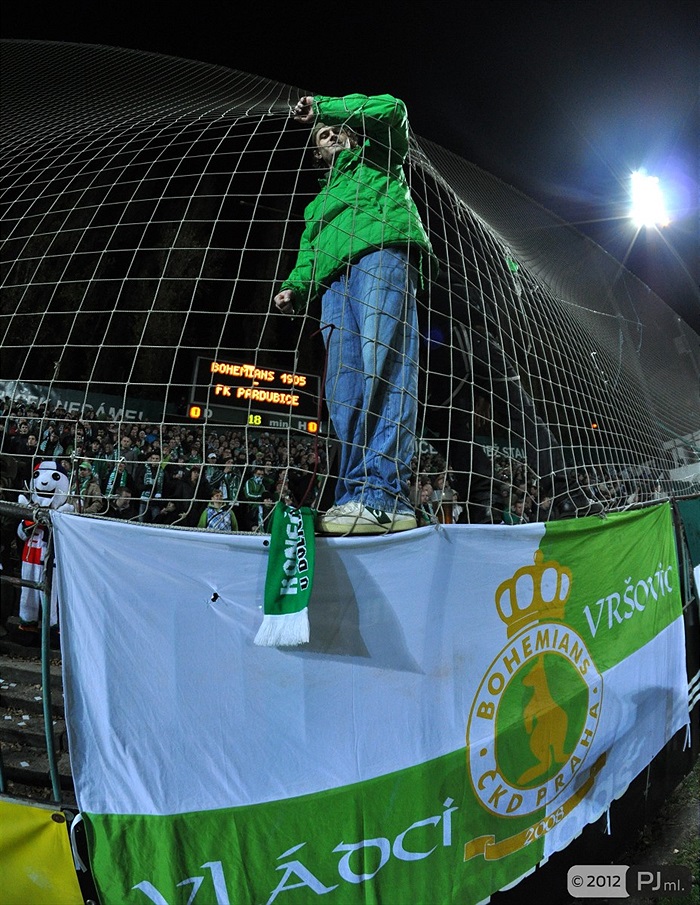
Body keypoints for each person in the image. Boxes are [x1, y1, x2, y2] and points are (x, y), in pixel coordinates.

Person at [273, 93, 435, 536]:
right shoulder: (315, 206)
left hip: (381, 254)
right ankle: (352, 498)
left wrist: (324, 107)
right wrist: (295, 286)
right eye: (321, 137)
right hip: (331, 285)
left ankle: (383, 495)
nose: (329, 137)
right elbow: (308, 255)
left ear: (347, 129)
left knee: (382, 364)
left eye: (332, 129)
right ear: (318, 154)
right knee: (342, 392)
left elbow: (394, 109)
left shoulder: (379, 158)